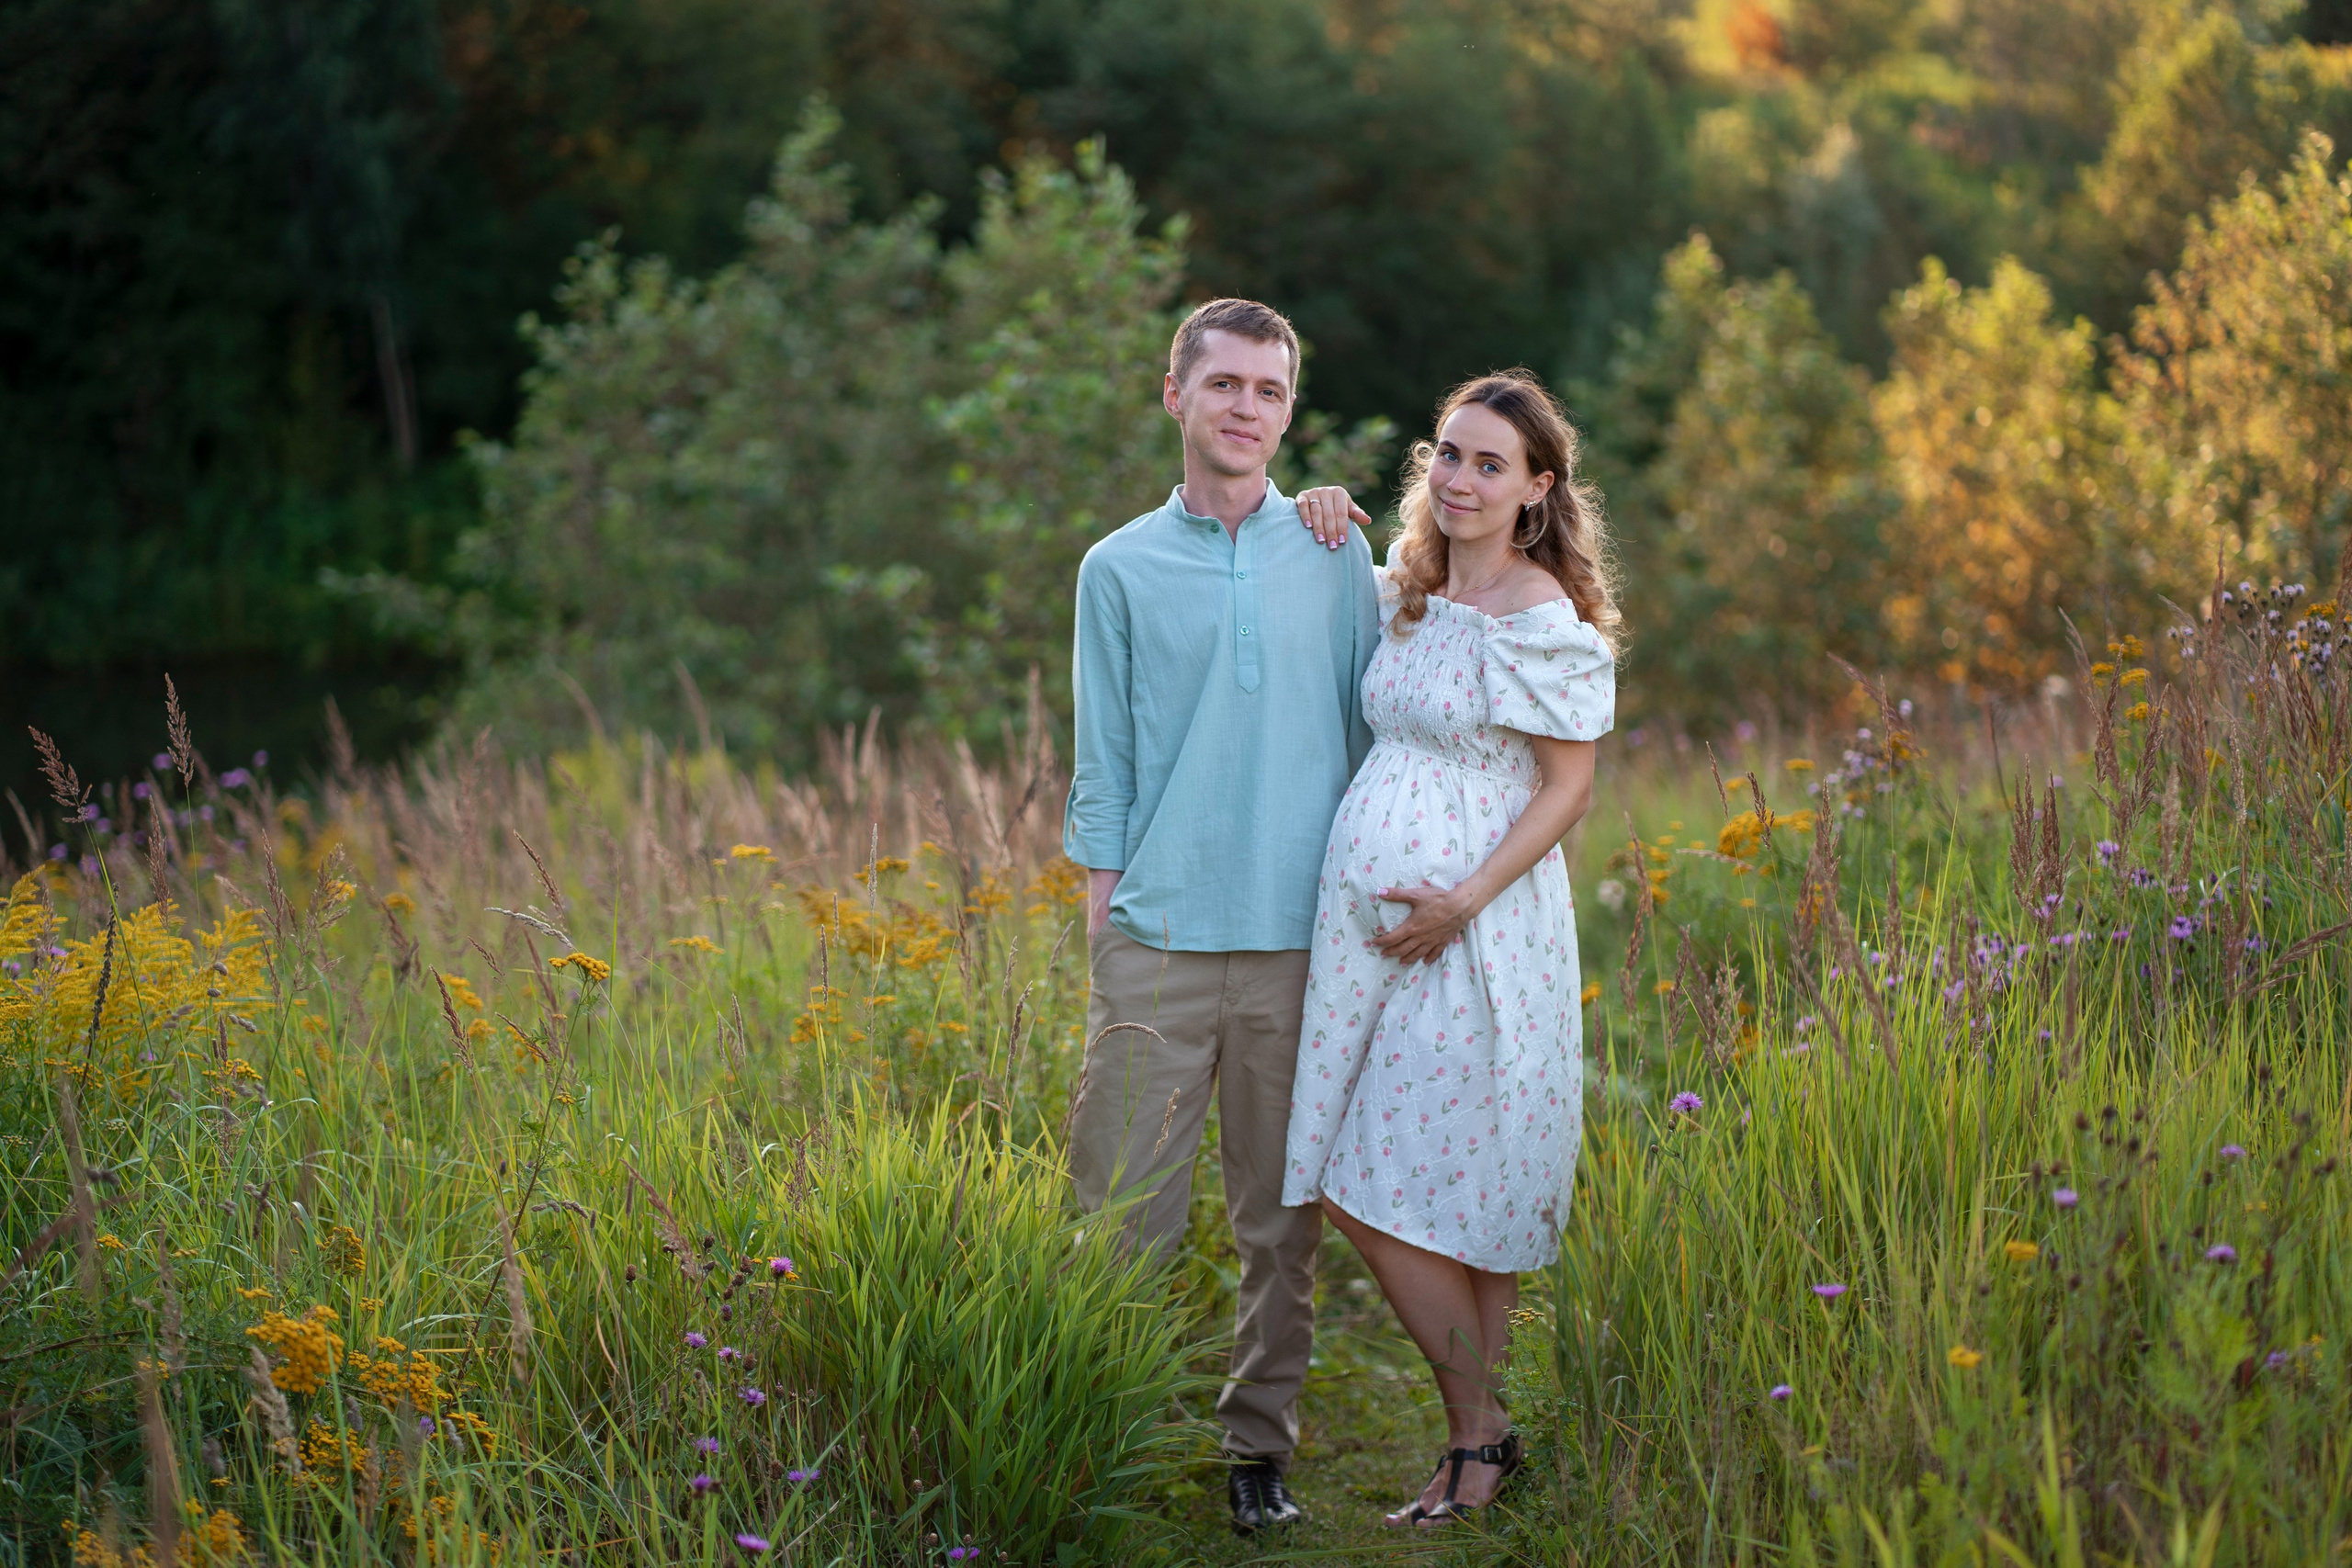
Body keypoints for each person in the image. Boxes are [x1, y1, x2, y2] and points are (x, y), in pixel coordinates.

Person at [1062, 298, 1381, 1535]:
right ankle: (1101, 1434)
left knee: (1276, 1220)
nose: (1248, 407)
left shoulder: (1333, 549)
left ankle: (1259, 1448)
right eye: (1227, 384)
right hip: (1158, 939)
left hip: (1302, 939)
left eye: (1270, 390)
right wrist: (1105, 918)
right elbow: (1106, 761)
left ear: (1287, 412)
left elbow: (1372, 733)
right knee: (1118, 1217)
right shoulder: (1117, 566)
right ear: (1176, 394)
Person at [1284, 370, 1617, 1527]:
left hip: (1476, 932)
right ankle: (1480, 1446)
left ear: (1536, 490)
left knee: (1372, 1184)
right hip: (1377, 936)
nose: (1461, 479)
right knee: (1435, 1179)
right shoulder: (1408, 595)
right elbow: (1314, 580)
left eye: (1490, 463)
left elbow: (1568, 792)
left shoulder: (1540, 621)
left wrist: (1462, 901)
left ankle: (1479, 1438)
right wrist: (1321, 502)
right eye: (1449, 455)